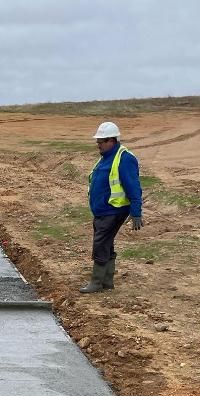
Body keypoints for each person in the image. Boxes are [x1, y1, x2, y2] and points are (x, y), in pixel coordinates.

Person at [80, 121, 143, 293]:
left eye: (101, 141)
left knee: (100, 243)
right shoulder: (106, 157)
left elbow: (134, 186)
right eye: (97, 141)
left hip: (113, 210)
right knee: (106, 243)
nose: (98, 145)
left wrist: (136, 212)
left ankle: (96, 282)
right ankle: (107, 282)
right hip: (102, 211)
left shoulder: (124, 159)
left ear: (112, 141)